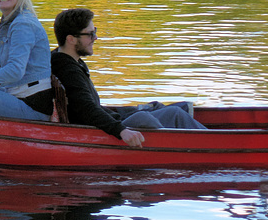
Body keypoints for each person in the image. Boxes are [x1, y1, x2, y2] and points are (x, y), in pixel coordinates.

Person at [51, 8, 206, 148]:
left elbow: (90, 105)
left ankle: (200, 141)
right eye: (90, 34)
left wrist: (127, 112)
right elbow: (86, 109)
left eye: (95, 31)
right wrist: (121, 130)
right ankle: (207, 146)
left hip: (105, 122)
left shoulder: (67, 60)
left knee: (169, 109)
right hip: (98, 132)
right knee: (168, 114)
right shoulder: (68, 69)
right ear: (71, 39)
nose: (96, 37)